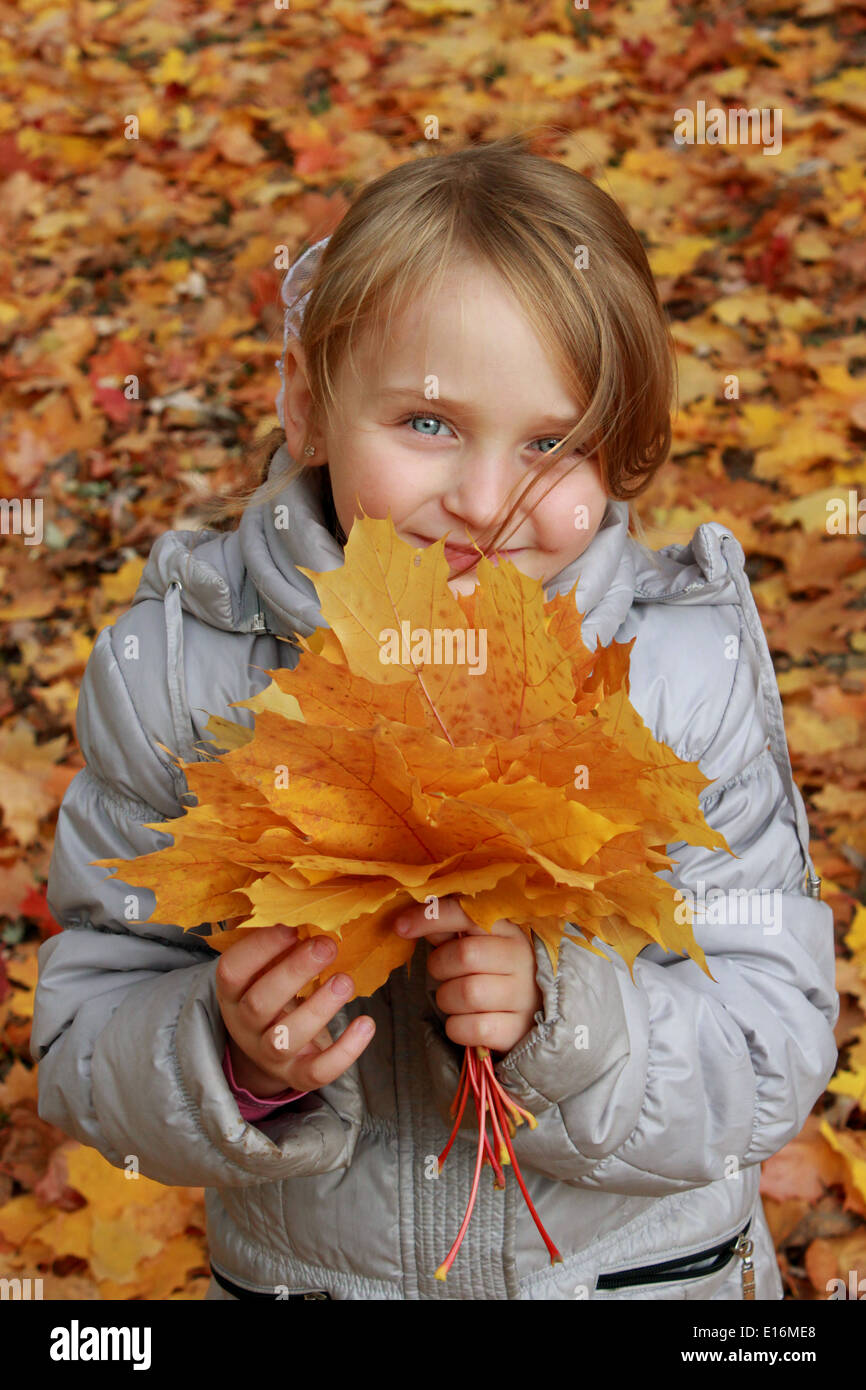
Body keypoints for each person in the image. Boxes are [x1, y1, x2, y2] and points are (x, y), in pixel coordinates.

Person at [32, 137, 838, 1301]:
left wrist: (575, 1030)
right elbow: (86, 1030)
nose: (482, 499)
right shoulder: (184, 673)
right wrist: (227, 1056)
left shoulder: (672, 678)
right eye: (426, 422)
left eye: (551, 441)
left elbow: (770, 1038)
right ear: (308, 404)